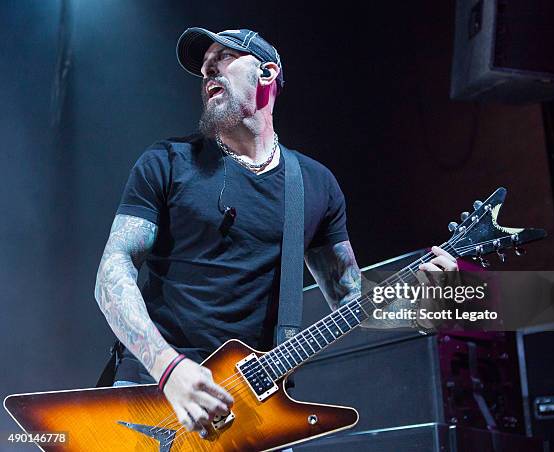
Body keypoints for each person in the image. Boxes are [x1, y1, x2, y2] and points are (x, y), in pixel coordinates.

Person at [94, 27, 458, 436]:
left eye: (222, 60)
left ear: (267, 73)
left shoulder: (314, 184)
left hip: (252, 407)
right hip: (154, 392)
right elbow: (114, 268)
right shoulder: (167, 161)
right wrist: (168, 368)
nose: (208, 71)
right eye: (204, 67)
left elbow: (350, 300)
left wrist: (422, 312)